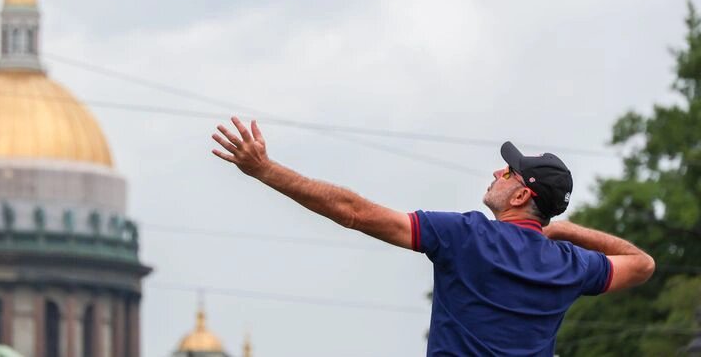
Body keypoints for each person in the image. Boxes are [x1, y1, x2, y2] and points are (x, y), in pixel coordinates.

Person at [212, 117, 656, 356]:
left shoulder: (465, 236)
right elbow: (642, 264)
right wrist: (565, 231)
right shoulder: (570, 264)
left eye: (508, 170)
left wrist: (264, 171)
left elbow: (354, 213)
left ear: (521, 193)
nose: (497, 171)